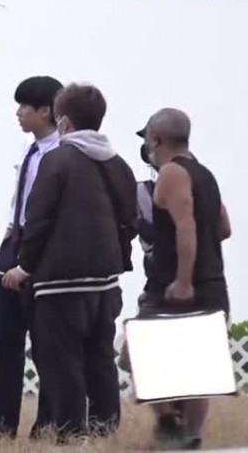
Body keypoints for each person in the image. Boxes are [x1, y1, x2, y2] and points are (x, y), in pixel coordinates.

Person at [2, 83, 137, 444]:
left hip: (60, 282)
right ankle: (105, 431)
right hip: (106, 281)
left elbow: (39, 220)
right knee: (100, 358)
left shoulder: (57, 160)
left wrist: (24, 267)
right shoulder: (117, 163)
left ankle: (71, 434)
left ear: (63, 121)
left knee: (63, 362)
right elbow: (131, 218)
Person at [137, 108, 232, 450]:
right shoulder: (205, 174)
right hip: (213, 282)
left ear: (156, 138)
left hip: (177, 286)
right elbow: (224, 228)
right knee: (197, 370)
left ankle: (170, 425)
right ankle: (191, 436)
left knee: (141, 352)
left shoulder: (172, 172)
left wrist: (183, 280)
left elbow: (185, 225)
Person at [0, 76, 62, 440]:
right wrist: (9, 229)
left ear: (45, 110)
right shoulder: (27, 149)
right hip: (14, 241)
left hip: (42, 250)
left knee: (45, 340)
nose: (18, 113)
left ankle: (47, 423)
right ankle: (1, 426)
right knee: (4, 339)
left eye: (24, 107)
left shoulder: (61, 153)